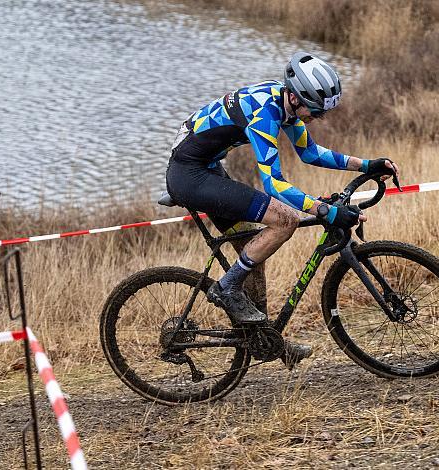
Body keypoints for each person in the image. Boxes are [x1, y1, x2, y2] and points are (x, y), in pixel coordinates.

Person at [165, 51, 399, 367]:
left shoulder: (285, 104)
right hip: (190, 176)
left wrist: (367, 164)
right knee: (284, 220)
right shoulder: (265, 113)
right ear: (295, 96)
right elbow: (274, 184)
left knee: (253, 252)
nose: (315, 118)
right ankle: (226, 288)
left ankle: (261, 339)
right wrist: (325, 212)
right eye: (313, 111)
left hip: (207, 169)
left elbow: (310, 153)